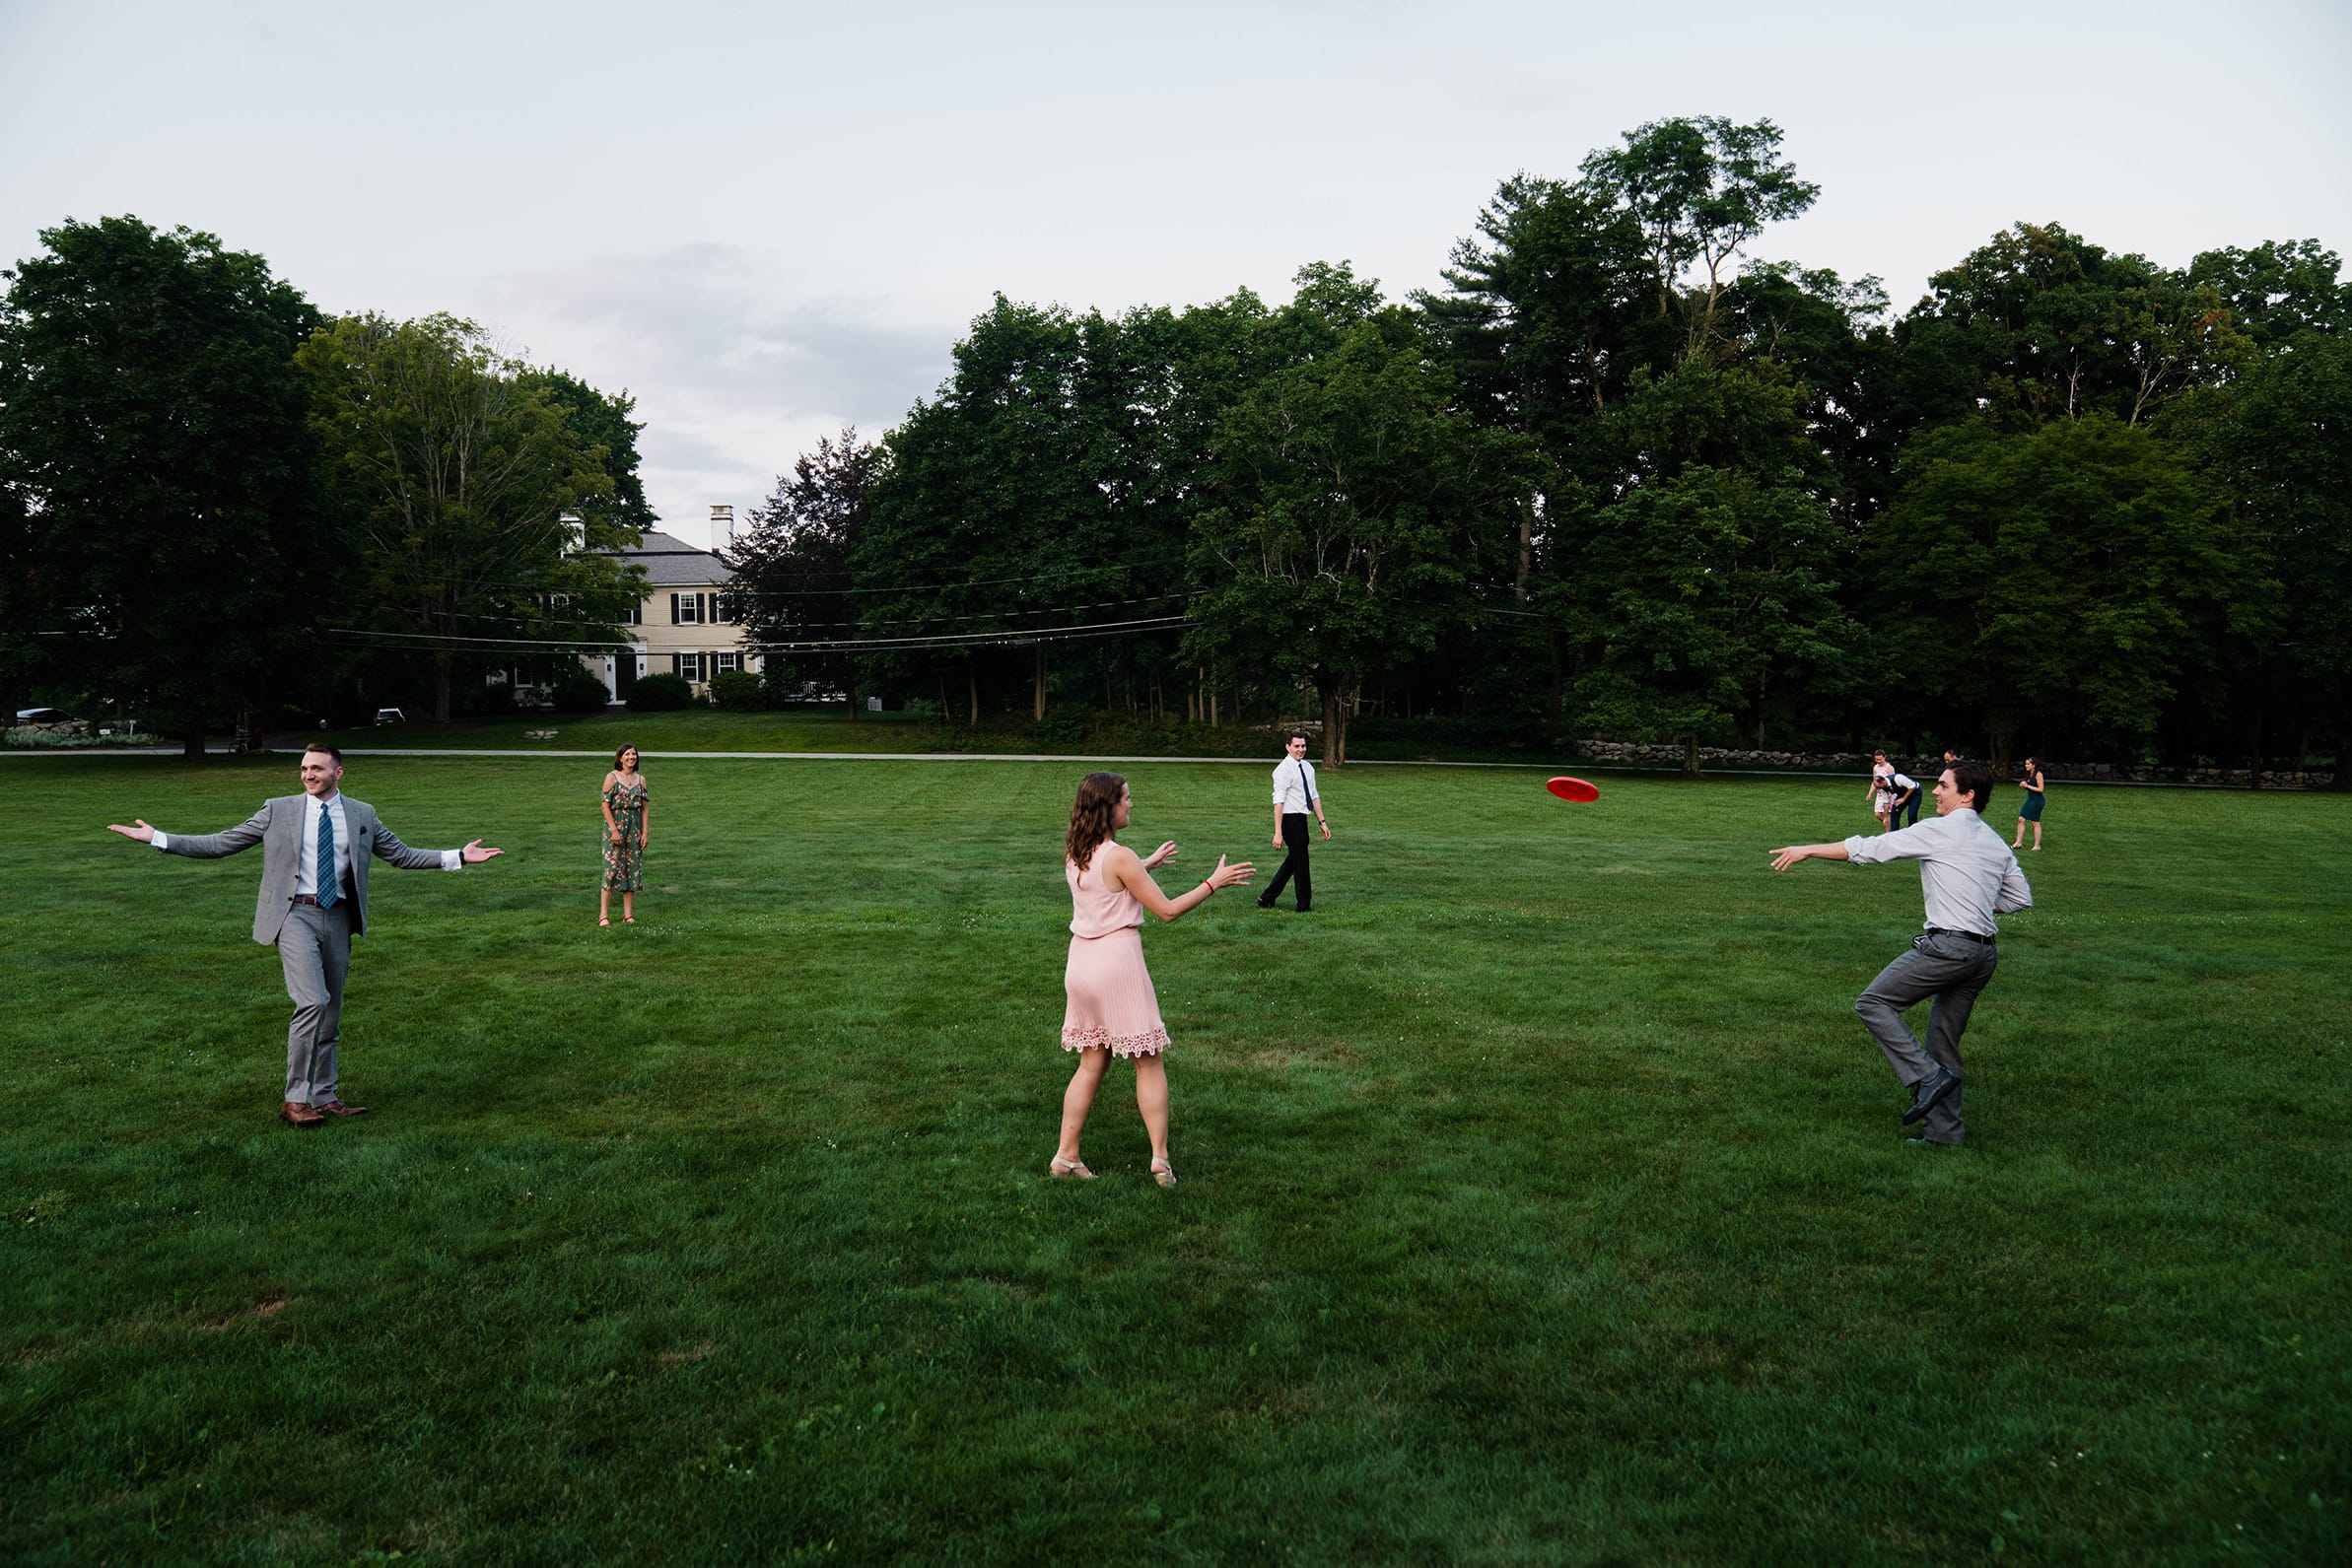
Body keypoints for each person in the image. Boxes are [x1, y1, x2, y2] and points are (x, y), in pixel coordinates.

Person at [104, 743, 503, 1127]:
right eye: (303, 768)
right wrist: (159, 838)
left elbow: (400, 853)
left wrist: (459, 857)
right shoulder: (278, 810)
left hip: (339, 918)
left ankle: (326, 1097)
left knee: (331, 1013)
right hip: (293, 914)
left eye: (316, 768)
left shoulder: (362, 814)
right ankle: (295, 1099)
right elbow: (222, 843)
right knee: (312, 1001)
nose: (308, 774)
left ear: (338, 772)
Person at [1768, 760, 2032, 1147]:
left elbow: (1872, 849)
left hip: (1949, 948)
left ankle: (1927, 1077)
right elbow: (2019, 898)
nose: (1936, 792)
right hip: (1982, 957)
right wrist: (1977, 902)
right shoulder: (1993, 840)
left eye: (1943, 786)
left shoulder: (1940, 830)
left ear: (1967, 795)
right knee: (1944, 1043)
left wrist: (1808, 849)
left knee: (1873, 1002)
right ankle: (1944, 1136)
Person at [1052, 771, 1253, 1187]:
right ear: (1107, 808)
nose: (1130, 804)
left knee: (1092, 1061)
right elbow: (1167, 909)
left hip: (1081, 966)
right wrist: (1213, 883)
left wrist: (1146, 865)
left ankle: (1065, 1158)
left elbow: (1105, 885)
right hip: (1116, 964)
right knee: (1149, 1060)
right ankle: (1160, 1159)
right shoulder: (1119, 857)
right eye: (1125, 799)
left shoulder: (1077, 850)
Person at [1256, 730, 1330, 912]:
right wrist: (1278, 832)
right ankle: (1303, 905)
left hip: (1302, 818)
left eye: (1303, 746)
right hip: (1289, 820)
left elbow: (1314, 796)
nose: (1300, 749)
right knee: (1301, 862)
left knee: (1294, 860)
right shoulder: (1282, 770)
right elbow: (1278, 803)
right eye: (1296, 746)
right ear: (1288, 747)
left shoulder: (1308, 767)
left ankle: (1267, 897)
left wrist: (1322, 822)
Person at [600, 743, 651, 925]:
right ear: (620, 758)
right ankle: (603, 915)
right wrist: (614, 830)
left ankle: (627, 915)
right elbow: (605, 805)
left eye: (634, 754)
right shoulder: (611, 778)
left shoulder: (641, 780)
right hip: (615, 827)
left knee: (632, 870)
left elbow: (645, 808)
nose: (631, 757)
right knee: (611, 870)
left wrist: (645, 832)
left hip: (634, 828)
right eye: (627, 754)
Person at [2014, 757, 2046, 852]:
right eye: (2026, 763)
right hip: (2030, 800)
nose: (2026, 765)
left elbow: (2040, 789)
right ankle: (2018, 842)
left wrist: (2027, 786)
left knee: (2035, 822)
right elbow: (2030, 786)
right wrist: (2024, 784)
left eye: (2028, 764)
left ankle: (2037, 845)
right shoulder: (2029, 774)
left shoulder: (2038, 774)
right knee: (2021, 819)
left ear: (2034, 765)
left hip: (2038, 801)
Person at [1868, 752, 1897, 834]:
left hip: (1888, 794)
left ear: (1884, 757)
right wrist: (1870, 793)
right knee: (1877, 814)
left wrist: (1892, 794)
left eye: (1880, 759)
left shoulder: (1889, 768)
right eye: (1877, 759)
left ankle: (1889, 832)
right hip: (1880, 794)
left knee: (1886, 814)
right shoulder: (1875, 768)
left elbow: (1893, 781)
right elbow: (1874, 782)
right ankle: (1892, 827)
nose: (1878, 761)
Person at [1888, 766, 1923, 831]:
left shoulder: (1898, 778)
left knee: (1911, 815)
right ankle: (1894, 834)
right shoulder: (1882, 787)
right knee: (1894, 813)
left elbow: (1913, 786)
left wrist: (1903, 799)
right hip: (1902, 794)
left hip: (1915, 794)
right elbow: (1886, 801)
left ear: (1883, 782)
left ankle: (1913, 833)